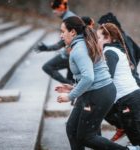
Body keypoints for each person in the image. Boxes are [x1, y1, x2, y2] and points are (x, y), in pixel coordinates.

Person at [55, 16, 140, 150]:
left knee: (86, 136)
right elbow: (92, 75)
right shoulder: (81, 44)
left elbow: (89, 78)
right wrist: (73, 87)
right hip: (94, 91)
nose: (61, 35)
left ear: (72, 32)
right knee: (72, 129)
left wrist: (70, 96)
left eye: (63, 31)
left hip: (101, 94)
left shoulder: (79, 49)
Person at [97, 12, 140, 141]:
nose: (96, 40)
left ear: (108, 37)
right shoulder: (114, 47)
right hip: (129, 95)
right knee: (135, 136)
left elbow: (107, 78)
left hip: (129, 96)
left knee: (135, 137)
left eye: (98, 37)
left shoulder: (110, 52)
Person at [34, 0, 76, 84]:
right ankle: (70, 85)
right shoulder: (69, 16)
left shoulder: (68, 18)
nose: (53, 12)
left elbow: (63, 41)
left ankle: (69, 84)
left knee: (47, 67)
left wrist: (47, 48)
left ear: (61, 8)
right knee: (71, 80)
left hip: (71, 54)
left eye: (55, 9)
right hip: (72, 53)